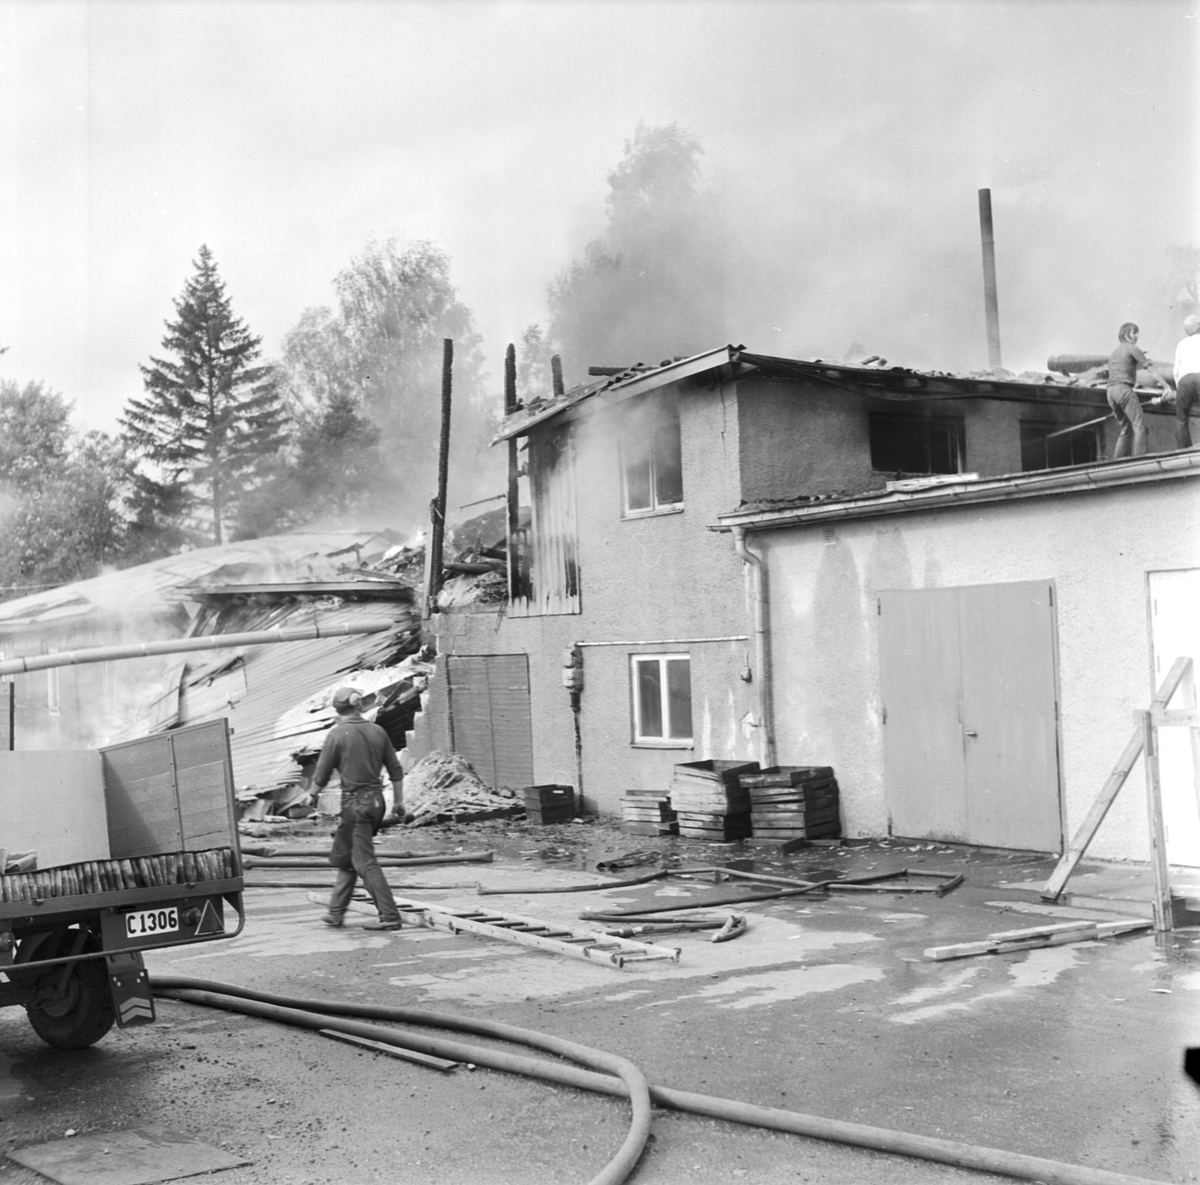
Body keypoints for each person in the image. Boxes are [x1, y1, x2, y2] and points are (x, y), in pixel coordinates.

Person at [313, 686, 410, 930]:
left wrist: (312, 794)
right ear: (359, 706)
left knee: (365, 862)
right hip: (377, 803)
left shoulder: (337, 734)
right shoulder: (377, 731)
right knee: (348, 857)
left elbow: (322, 774)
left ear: (337, 709)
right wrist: (399, 803)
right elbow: (396, 771)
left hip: (356, 806)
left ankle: (390, 916)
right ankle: (336, 913)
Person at [1104, 322, 1172, 458]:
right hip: (1123, 390)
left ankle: (1114, 464)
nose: (1137, 336)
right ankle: (1138, 462)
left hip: (1110, 392)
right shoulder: (1132, 348)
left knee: (1125, 430)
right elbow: (1150, 369)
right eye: (1134, 333)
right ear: (1125, 335)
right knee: (1140, 428)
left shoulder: (1115, 352)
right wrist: (1166, 386)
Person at [1172, 314, 1200, 449]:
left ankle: (1183, 450)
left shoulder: (1181, 344)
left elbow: (1176, 371)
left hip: (1184, 380)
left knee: (1181, 419)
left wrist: (1180, 389)